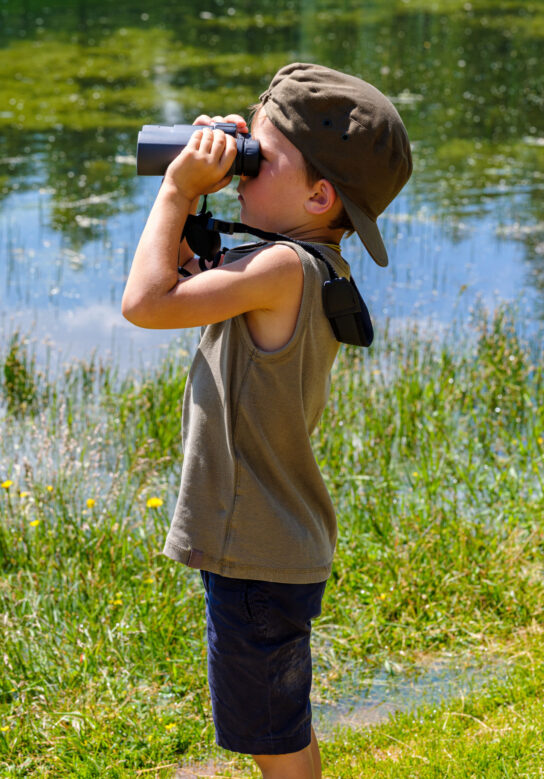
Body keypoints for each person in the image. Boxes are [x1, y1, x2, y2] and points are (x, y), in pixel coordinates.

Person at [121, 62, 412, 779]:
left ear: (318, 193)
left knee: (272, 737)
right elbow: (188, 277)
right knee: (276, 726)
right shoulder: (306, 261)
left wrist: (175, 187)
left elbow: (146, 301)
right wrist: (197, 205)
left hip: (259, 549)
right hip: (270, 543)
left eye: (258, 155)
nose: (241, 164)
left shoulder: (281, 269)